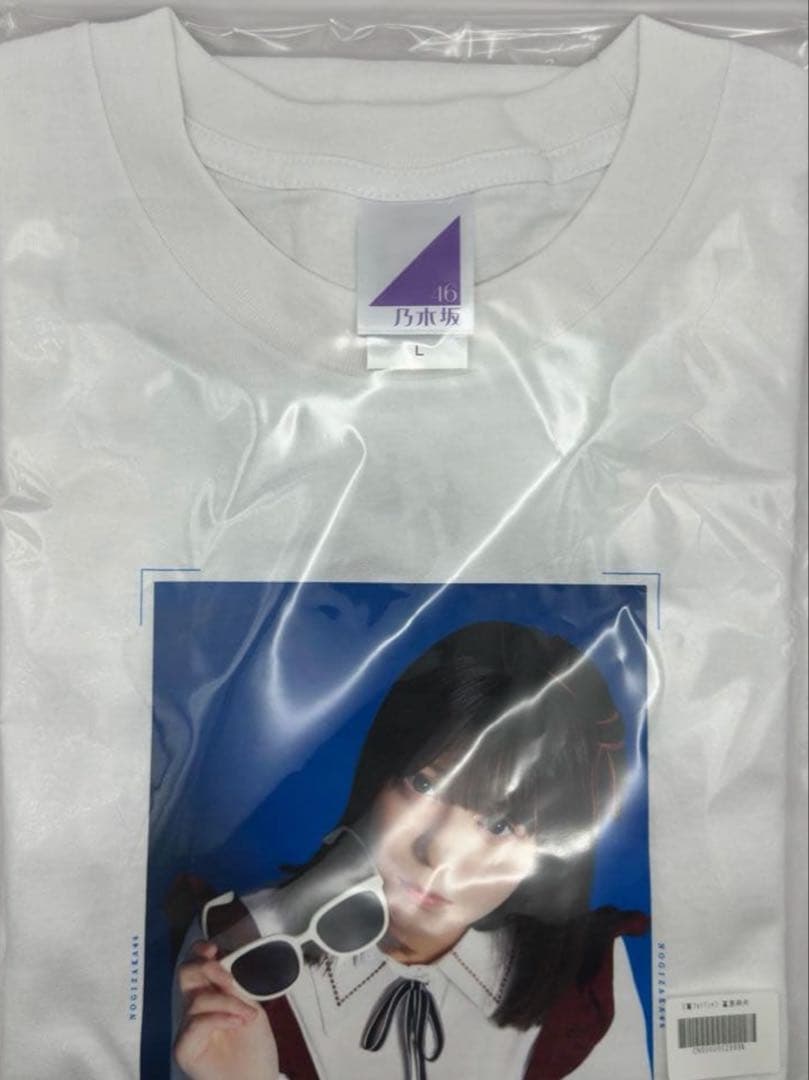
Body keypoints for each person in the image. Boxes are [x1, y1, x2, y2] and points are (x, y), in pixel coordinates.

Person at [171, 620, 650, 1080]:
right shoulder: (241, 950)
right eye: (424, 785)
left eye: (500, 825)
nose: (439, 854)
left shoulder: (583, 974)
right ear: (377, 777)